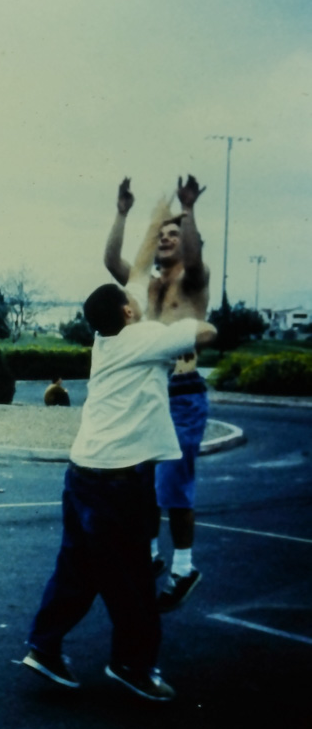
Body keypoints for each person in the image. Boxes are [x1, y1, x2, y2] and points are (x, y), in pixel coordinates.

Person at [19, 282, 217, 702]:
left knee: (77, 567)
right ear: (127, 313)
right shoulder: (144, 337)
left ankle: (44, 646)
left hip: (82, 474)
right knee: (133, 579)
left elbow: (132, 303)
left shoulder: (103, 340)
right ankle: (132, 665)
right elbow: (207, 332)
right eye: (134, 303)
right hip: (118, 483)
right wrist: (179, 323)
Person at [104, 175, 211, 612]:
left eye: (174, 235)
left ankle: (184, 567)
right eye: (162, 233)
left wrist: (186, 210)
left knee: (172, 485)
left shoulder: (193, 282)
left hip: (183, 394)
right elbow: (112, 260)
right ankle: (150, 556)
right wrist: (123, 212)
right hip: (151, 394)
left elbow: (197, 254)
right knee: (142, 483)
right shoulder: (145, 286)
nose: (166, 239)